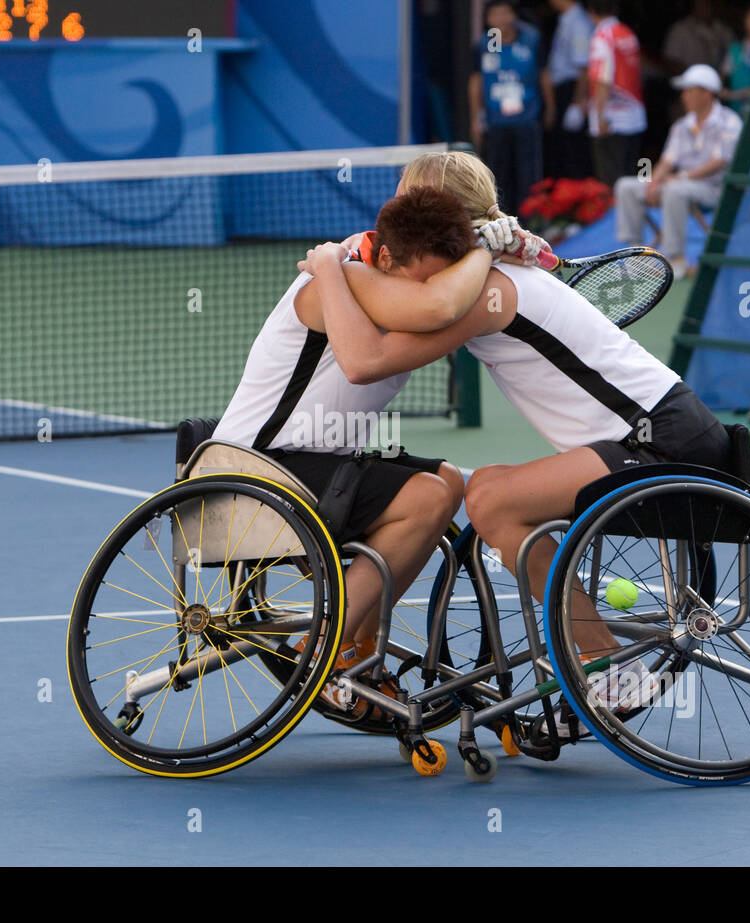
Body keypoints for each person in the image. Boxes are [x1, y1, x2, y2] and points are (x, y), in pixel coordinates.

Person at [299, 151, 735, 709]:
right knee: (490, 486)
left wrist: (332, 268)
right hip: (669, 432)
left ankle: (602, 662)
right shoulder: (497, 271)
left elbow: (371, 356)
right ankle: (581, 651)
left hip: (659, 441)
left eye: (409, 211)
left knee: (492, 500)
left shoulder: (486, 293)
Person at [213, 187, 521, 719]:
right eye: (416, 277)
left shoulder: (372, 268)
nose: (423, 289)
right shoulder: (345, 280)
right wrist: (488, 250)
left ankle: (353, 647)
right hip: (256, 469)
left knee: (447, 482)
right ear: (383, 257)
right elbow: (440, 305)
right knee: (425, 496)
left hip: (313, 470)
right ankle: (324, 657)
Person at [612, 63, 741, 278]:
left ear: (707, 93)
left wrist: (678, 178)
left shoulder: (730, 122)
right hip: (680, 184)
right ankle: (634, 255)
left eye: (690, 90)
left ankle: (675, 258)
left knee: (675, 189)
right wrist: (654, 183)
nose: (684, 96)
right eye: (684, 91)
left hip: (716, 189)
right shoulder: (681, 125)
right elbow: (667, 160)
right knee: (625, 186)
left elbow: (719, 161)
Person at [469, 0, 553, 213]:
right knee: (498, 176)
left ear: (513, 15)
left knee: (530, 176)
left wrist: (550, 107)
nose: (501, 20)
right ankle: (501, 222)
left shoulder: (531, 39)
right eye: (495, 15)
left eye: (505, 13)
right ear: (487, 20)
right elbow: (475, 82)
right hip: (496, 122)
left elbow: (544, 74)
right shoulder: (484, 45)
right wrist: (476, 118)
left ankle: (532, 223)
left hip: (527, 119)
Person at [584, 0, 646, 188]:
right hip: (634, 116)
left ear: (591, 12)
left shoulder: (602, 36)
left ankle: (617, 218)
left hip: (612, 120)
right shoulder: (627, 33)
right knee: (631, 178)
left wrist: (601, 116)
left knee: (611, 183)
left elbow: (602, 80)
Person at [544, 0, 594, 180]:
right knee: (563, 148)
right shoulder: (565, 19)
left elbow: (584, 68)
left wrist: (577, 102)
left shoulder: (579, 22)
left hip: (572, 89)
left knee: (574, 149)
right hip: (562, 88)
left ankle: (579, 196)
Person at [663, 0, 737, 80]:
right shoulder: (680, 29)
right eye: (700, 3)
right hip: (688, 82)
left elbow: (735, 57)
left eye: (707, 3)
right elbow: (670, 61)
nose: (704, 7)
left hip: (718, 82)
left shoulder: (724, 30)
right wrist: (692, 77)